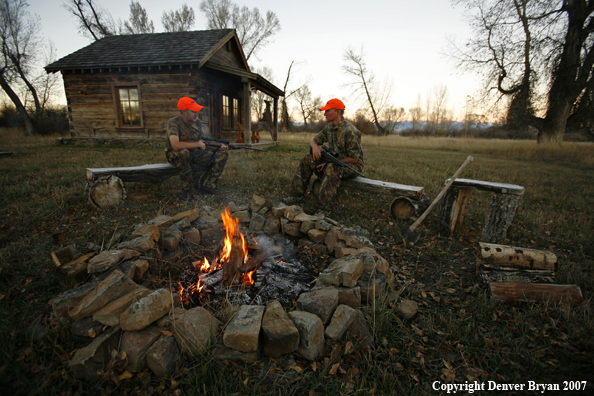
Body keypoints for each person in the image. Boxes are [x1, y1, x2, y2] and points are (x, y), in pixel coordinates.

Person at [286, 98, 364, 215]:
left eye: (328, 111)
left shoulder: (350, 131)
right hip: (334, 162)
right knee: (308, 160)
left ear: (338, 112)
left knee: (332, 168)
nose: (325, 114)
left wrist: (328, 163)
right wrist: (315, 147)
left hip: (352, 165)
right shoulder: (329, 128)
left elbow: (354, 158)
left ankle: (324, 209)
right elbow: (313, 141)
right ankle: (296, 196)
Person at [165, 97, 229, 201]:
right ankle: (187, 191)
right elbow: (175, 145)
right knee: (184, 153)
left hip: (194, 152)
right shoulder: (173, 123)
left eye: (197, 111)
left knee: (222, 154)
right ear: (183, 111)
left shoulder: (197, 123)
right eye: (193, 111)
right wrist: (197, 144)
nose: (197, 114)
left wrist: (218, 146)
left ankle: (207, 185)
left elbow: (201, 142)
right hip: (175, 154)